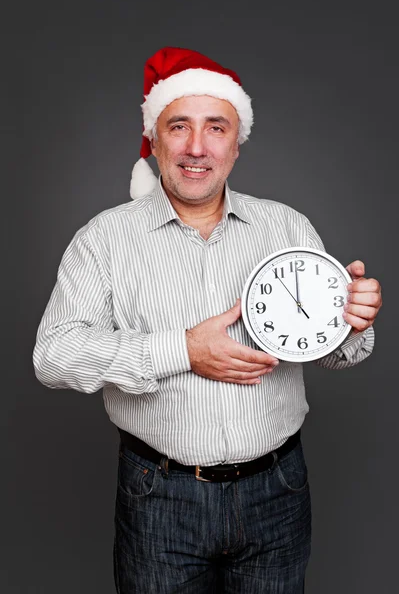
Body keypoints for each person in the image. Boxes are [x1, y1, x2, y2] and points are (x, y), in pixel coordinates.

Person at [33, 47, 382, 593]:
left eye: (216, 127)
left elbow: (332, 352)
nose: (197, 147)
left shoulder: (286, 228)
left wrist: (351, 323)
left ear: (236, 144)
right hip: (159, 497)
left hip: (278, 492)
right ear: (155, 140)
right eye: (180, 127)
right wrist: (182, 350)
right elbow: (52, 355)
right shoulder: (103, 240)